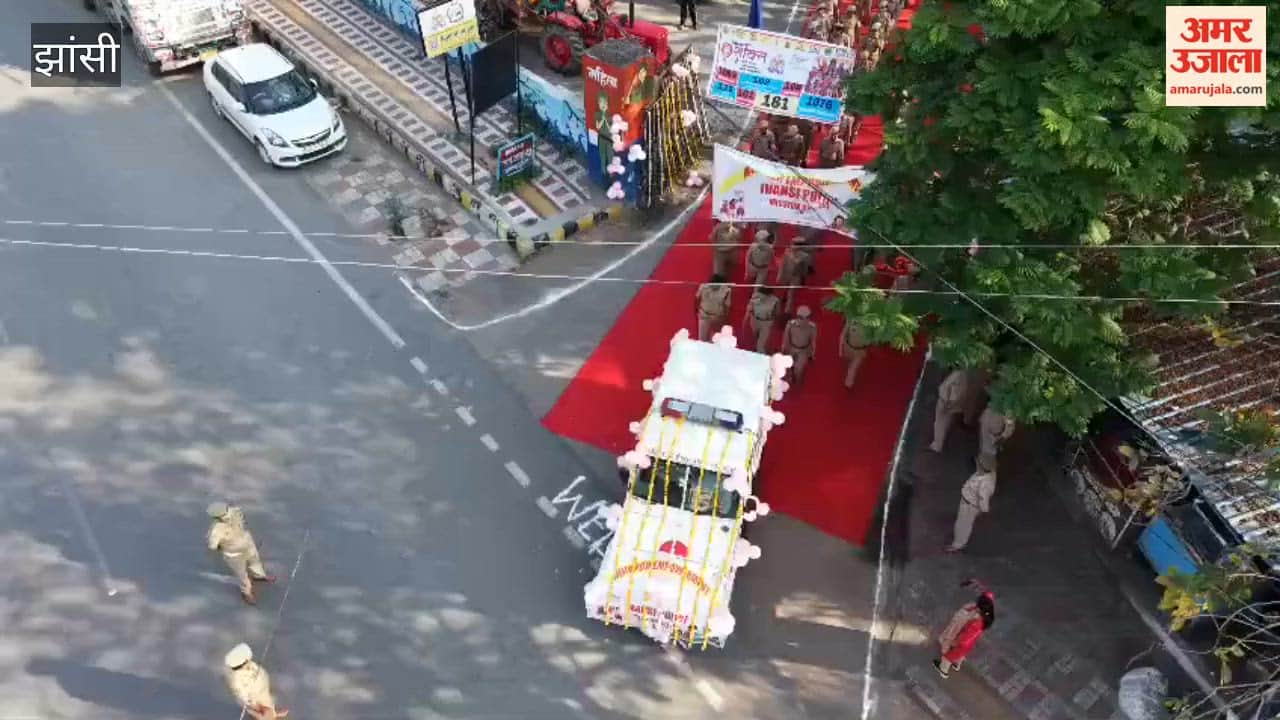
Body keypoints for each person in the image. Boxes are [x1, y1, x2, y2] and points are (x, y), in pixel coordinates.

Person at [207, 502, 276, 605]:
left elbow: (214, 546)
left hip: (247, 544)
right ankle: (246, 592)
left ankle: (259, 576)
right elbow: (213, 545)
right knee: (241, 574)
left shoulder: (234, 512)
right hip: (234, 554)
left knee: (255, 562)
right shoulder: (216, 530)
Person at [934, 590, 995, 678]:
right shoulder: (980, 617)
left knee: (948, 656)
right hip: (964, 642)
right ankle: (955, 664)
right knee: (958, 655)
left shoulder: (978, 620)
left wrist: (956, 641)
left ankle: (943, 670)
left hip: (961, 641)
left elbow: (967, 634)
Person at [945, 454, 997, 552]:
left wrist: (983, 509)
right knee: (962, 522)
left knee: (963, 524)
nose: (976, 464)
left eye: (978, 463)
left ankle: (958, 544)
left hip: (970, 505)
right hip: (967, 501)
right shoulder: (983, 474)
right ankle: (959, 541)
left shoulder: (985, 483)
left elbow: (983, 497)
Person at [224, 643, 290, 719]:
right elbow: (248, 703)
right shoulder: (238, 681)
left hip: (261, 698)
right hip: (258, 698)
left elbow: (250, 707)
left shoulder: (250, 668)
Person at [928, 369, 969, 453]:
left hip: (946, 402)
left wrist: (946, 402)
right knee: (944, 423)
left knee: (940, 423)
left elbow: (948, 388)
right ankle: (940, 443)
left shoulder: (958, 374)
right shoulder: (964, 375)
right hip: (952, 403)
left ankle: (937, 446)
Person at [781, 306, 818, 384]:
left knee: (799, 368)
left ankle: (797, 379)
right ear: (798, 317)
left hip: (803, 350)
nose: (804, 320)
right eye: (802, 318)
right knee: (789, 365)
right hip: (791, 348)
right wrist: (784, 348)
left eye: (807, 318)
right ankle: (791, 376)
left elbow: (813, 340)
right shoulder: (791, 325)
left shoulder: (812, 327)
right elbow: (786, 338)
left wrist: (813, 352)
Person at [742, 286, 781, 353]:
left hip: (766, 323)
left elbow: (777, 313)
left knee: (760, 345)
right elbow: (750, 308)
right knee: (755, 338)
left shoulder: (775, 300)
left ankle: (761, 357)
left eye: (763, 295)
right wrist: (745, 319)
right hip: (754, 320)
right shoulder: (756, 296)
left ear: (769, 295)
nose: (761, 296)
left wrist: (772, 322)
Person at [695, 274, 732, 341]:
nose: (711, 286)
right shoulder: (703, 287)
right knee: (702, 341)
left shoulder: (726, 290)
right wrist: (696, 311)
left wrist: (724, 318)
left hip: (717, 318)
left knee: (714, 340)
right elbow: (697, 299)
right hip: (704, 316)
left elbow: (727, 306)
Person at [776, 245, 812, 315]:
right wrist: (779, 276)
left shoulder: (804, 256)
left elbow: (804, 269)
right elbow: (782, 264)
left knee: (790, 294)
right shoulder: (788, 253)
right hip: (787, 275)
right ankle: (779, 310)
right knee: (783, 292)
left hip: (795, 277)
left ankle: (787, 312)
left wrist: (803, 277)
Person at [838, 317, 871, 389]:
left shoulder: (870, 324)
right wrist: (840, 349)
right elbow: (843, 335)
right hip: (849, 347)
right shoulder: (851, 320)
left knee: (853, 368)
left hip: (860, 350)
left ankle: (848, 383)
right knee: (849, 362)